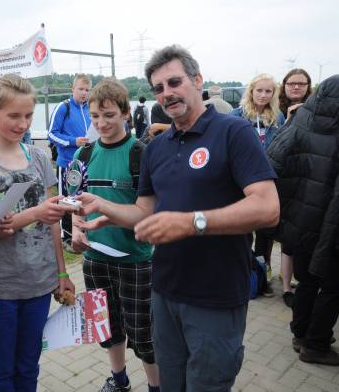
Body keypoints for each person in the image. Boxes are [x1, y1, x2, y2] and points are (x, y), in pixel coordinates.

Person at [75, 45, 279, 391]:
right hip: (165, 291)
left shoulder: (233, 132)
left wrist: (191, 222)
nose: (166, 93)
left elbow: (267, 207)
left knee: (207, 384)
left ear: (197, 80)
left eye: (174, 82)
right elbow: (145, 213)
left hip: (216, 294)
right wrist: (104, 210)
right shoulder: (157, 147)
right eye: (158, 88)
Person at [0, 73, 75, 391]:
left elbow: (53, 220)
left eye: (28, 116)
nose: (22, 124)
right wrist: (31, 214)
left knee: (29, 366)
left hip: (39, 281)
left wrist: (62, 273)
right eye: (13, 116)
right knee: (2, 372)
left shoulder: (40, 157)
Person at [70, 78, 160, 392]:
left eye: (108, 115)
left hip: (135, 259)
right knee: (107, 328)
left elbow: (147, 211)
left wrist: (105, 211)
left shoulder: (140, 153)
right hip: (95, 259)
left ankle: (155, 385)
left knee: (144, 334)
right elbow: (75, 203)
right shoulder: (84, 156)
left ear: (125, 114)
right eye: (95, 116)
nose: (101, 123)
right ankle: (119, 379)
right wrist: (77, 230)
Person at [267, 74, 339, 365]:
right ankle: (316, 343)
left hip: (302, 218)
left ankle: (300, 332)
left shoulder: (301, 118)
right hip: (331, 222)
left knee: (308, 278)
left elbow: (273, 159)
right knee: (333, 284)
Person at [230, 74, 285, 286]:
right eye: (259, 90)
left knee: (265, 231)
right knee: (242, 230)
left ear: (274, 94)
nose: (263, 95)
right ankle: (243, 271)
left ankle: (263, 272)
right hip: (240, 181)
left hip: (266, 179)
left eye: (268, 91)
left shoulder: (277, 118)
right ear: (251, 92)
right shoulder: (237, 116)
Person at [276, 68, 314, 307]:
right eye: (292, 83)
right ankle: (286, 286)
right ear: (285, 86)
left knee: (305, 239)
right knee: (286, 239)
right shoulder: (277, 110)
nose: (297, 87)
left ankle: (305, 282)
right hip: (284, 181)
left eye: (301, 84)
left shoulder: (317, 109)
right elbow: (276, 147)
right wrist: (289, 121)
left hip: (307, 180)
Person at [48, 73, 92, 247]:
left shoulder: (90, 108)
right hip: (67, 163)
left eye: (87, 90)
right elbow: (51, 134)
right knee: (67, 200)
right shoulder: (63, 107)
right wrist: (73, 141)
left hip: (87, 163)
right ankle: (65, 236)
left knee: (85, 198)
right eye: (81, 89)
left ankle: (83, 231)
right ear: (72, 89)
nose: (84, 93)